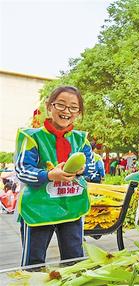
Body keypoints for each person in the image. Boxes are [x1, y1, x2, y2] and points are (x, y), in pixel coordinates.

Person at [14, 86, 95, 266]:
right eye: (61, 104)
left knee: (75, 262)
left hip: (71, 209)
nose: (67, 111)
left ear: (79, 112)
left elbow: (92, 167)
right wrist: (49, 175)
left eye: (73, 107)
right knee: (33, 265)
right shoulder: (31, 137)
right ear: (49, 106)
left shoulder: (81, 139)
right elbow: (22, 170)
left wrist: (82, 169)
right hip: (38, 210)